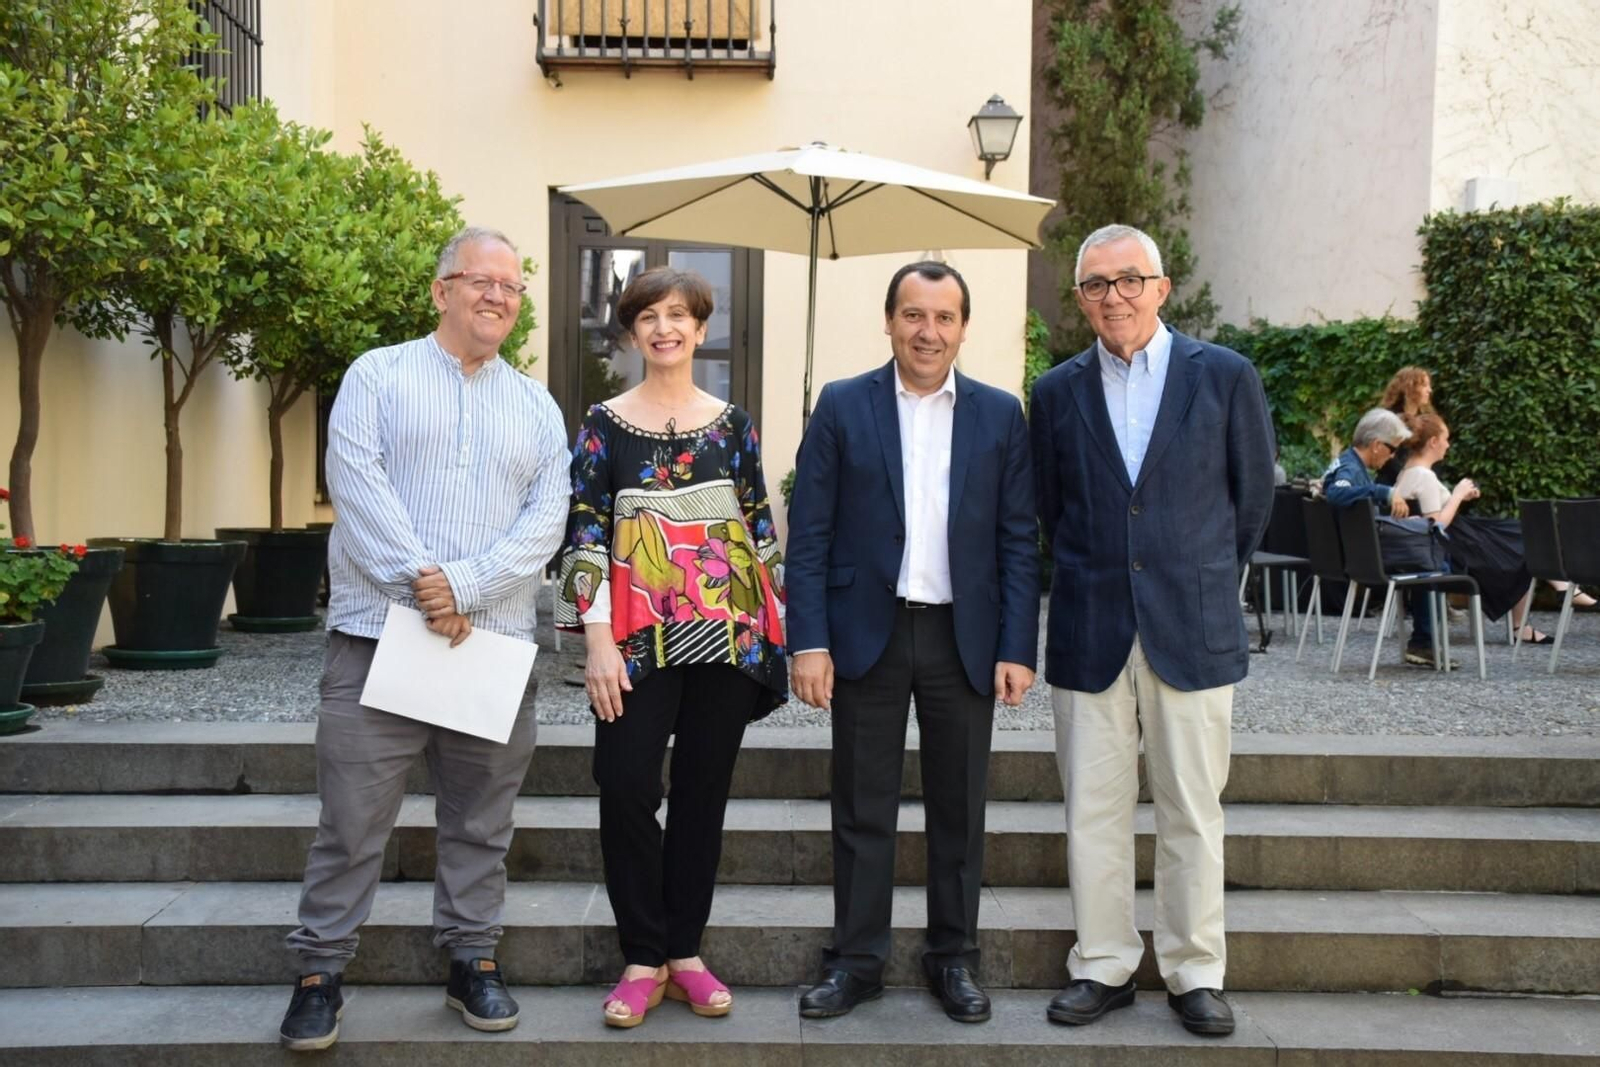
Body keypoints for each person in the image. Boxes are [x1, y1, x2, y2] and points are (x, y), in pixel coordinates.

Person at [279, 227, 570, 1051]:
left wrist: (465, 589)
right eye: (480, 281)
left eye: (511, 288)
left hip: (492, 643)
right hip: (377, 637)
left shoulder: (537, 406)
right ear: (440, 290)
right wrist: (424, 586)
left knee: (481, 820)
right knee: (351, 819)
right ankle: (319, 971)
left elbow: (544, 520)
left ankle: (471, 959)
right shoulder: (378, 376)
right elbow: (357, 484)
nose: (497, 297)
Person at [1030, 224, 1274, 1038]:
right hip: (1089, 624)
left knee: (1192, 810)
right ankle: (1101, 962)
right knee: (1091, 810)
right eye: (1097, 285)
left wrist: (1193, 570)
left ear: (1162, 288)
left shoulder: (1227, 377)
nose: (1114, 297)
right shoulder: (1056, 390)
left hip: (1191, 625)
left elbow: (1250, 502)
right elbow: (1052, 507)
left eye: (1130, 280)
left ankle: (1194, 970)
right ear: (1080, 300)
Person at [786, 260, 1038, 1024]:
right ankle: (856, 959)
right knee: (862, 804)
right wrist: (809, 640)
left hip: (964, 634)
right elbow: (811, 533)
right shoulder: (841, 404)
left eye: (944, 317)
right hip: (869, 631)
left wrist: (1018, 645)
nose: (928, 331)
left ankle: (952, 957)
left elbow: (1018, 539)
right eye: (913, 315)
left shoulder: (1000, 415)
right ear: (890, 320)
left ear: (963, 327)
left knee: (959, 808)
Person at [554, 266, 788, 1028]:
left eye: (680, 314)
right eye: (649, 315)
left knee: (701, 794)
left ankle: (682, 952)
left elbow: (758, 532)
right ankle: (640, 954)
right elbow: (585, 531)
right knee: (623, 782)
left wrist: (787, 635)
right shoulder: (602, 422)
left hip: (725, 637)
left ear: (701, 326)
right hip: (633, 641)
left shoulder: (734, 425)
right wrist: (596, 641)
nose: (665, 327)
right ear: (631, 331)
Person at [1392, 414, 1549, 642]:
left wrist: (1461, 497)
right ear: (1433, 442)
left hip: (1449, 543)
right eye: (1446, 439)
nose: (1448, 444)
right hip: (1450, 548)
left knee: (1519, 535)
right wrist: (1457, 495)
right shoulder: (1423, 475)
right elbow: (1435, 526)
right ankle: (1532, 616)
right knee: (1521, 542)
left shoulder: (1406, 473)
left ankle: (1557, 594)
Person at [1323, 407, 1452, 667]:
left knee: (1424, 557)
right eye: (1392, 449)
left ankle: (1424, 641)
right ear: (1375, 445)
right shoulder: (1350, 468)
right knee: (1431, 562)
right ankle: (1423, 643)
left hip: (1356, 555)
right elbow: (1336, 493)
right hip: (1364, 561)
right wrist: (1385, 492)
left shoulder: (1347, 464)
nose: (1393, 456)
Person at [1376, 366, 1435, 485]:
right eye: (1424, 385)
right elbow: (1385, 458)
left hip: (1421, 485)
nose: (1429, 390)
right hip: (1391, 486)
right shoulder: (1388, 419)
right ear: (1409, 388)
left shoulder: (1427, 421)